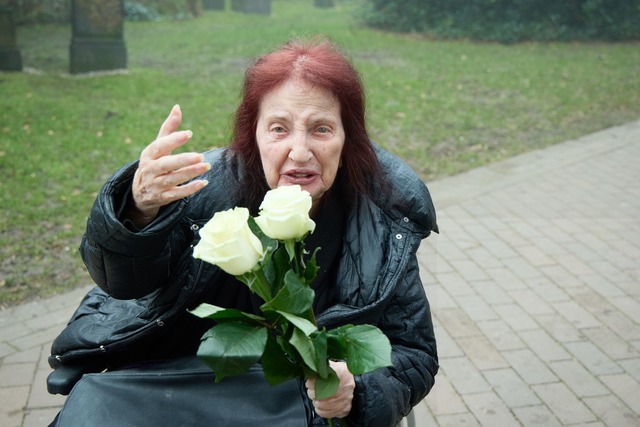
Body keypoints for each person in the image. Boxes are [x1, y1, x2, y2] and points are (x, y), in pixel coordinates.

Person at [51, 37, 438, 426]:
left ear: (348, 138)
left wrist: (358, 392)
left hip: (300, 407)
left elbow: (413, 352)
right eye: (278, 129)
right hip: (180, 388)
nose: (299, 152)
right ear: (252, 133)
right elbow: (124, 284)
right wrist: (137, 211)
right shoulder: (200, 191)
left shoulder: (387, 217)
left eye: (321, 129)